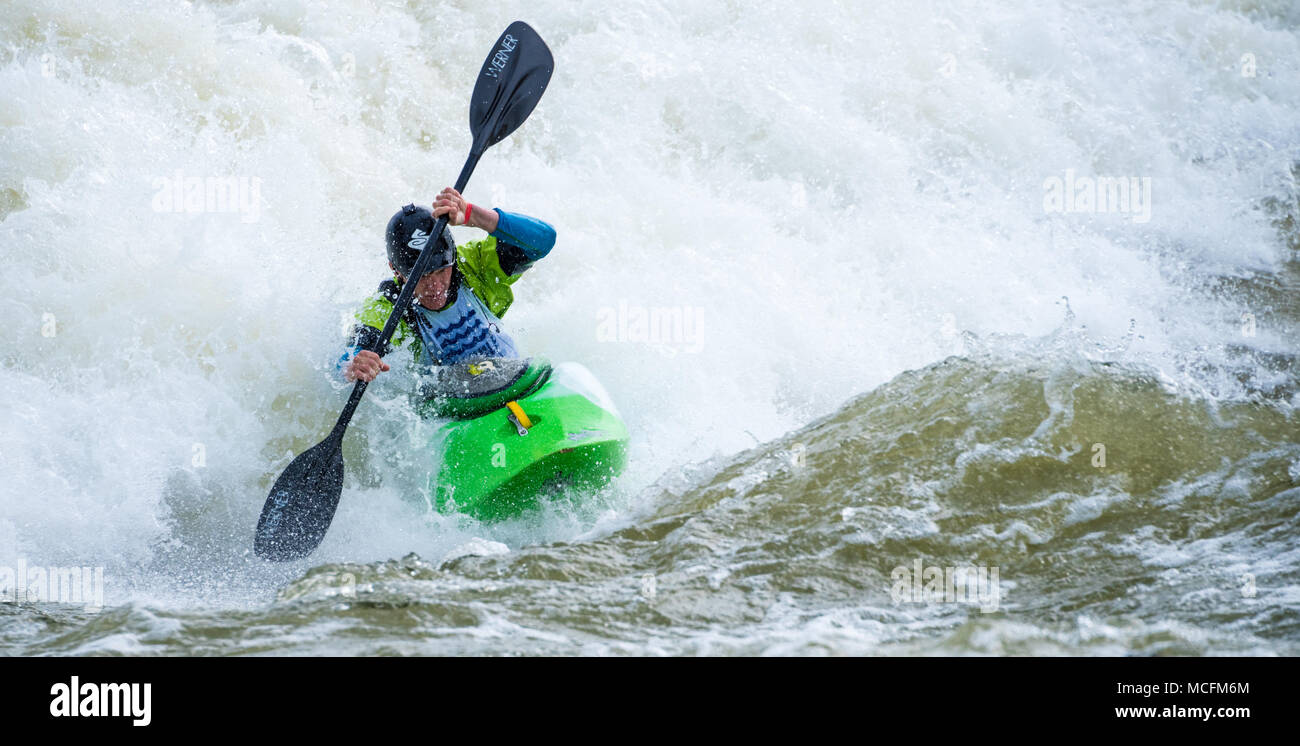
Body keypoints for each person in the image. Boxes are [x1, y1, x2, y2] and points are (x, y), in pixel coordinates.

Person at [340, 187, 555, 382]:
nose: (435, 286)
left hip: (516, 383)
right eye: (422, 277)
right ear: (396, 271)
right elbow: (345, 360)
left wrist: (474, 216)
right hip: (456, 415)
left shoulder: (475, 266)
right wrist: (354, 366)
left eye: (441, 270)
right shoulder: (386, 309)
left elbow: (545, 239)